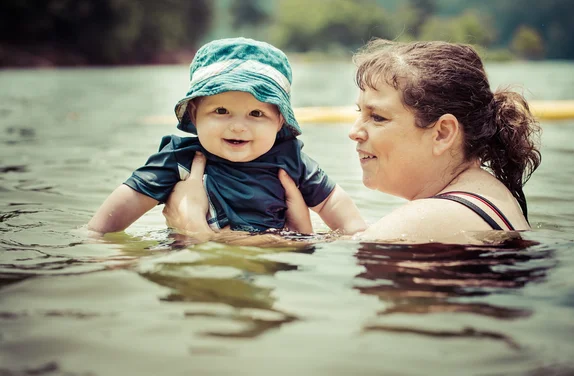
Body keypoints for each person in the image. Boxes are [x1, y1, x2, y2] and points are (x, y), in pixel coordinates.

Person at [162, 39, 542, 244]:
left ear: (442, 133)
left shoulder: (421, 222)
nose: (355, 130)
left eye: (377, 117)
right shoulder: (483, 198)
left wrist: (194, 231)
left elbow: (337, 274)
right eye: (358, 113)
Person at [87, 37, 366, 236]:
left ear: (279, 119)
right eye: (221, 111)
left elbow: (332, 202)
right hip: (195, 256)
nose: (238, 127)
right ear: (195, 114)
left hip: (271, 255)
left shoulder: (290, 160)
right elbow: (131, 196)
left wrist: (357, 234)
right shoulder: (181, 159)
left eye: (256, 114)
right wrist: (95, 234)